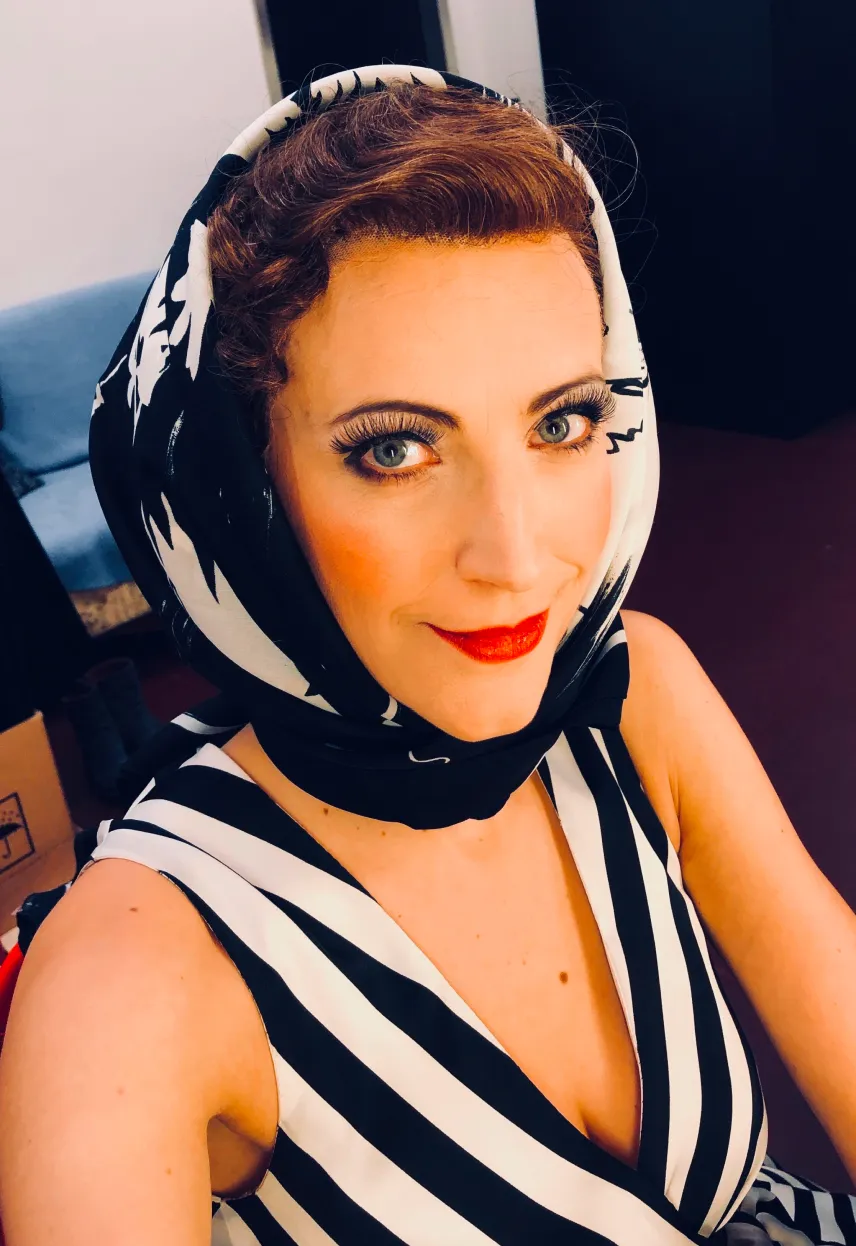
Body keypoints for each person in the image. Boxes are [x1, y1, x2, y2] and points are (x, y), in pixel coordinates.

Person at [0, 64, 854, 1246]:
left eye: (562, 422)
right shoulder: (130, 977)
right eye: (395, 449)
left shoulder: (630, 691)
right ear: (248, 494)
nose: (518, 558)